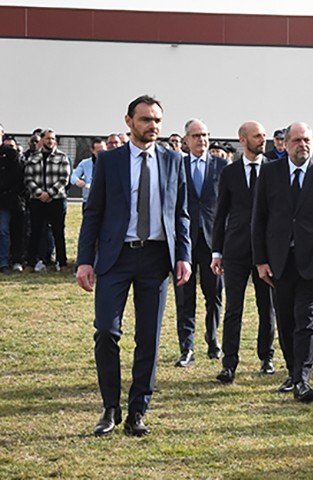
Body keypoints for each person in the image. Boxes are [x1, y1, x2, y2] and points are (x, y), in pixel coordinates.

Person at [76, 95, 192, 437]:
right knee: (106, 331)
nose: (152, 126)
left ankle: (138, 410)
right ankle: (110, 407)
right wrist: (85, 260)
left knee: (149, 338)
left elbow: (181, 213)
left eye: (157, 120)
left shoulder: (174, 160)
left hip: (156, 259)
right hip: (115, 258)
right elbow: (92, 213)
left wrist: (183, 255)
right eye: (145, 120)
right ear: (129, 122)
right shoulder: (109, 161)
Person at [252, 122, 313, 403]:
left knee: (306, 320)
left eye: (307, 140)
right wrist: (261, 260)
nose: (303, 145)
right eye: (297, 140)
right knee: (286, 319)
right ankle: (292, 371)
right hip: (280, 262)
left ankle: (303, 379)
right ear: (285, 143)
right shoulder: (270, 172)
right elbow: (260, 218)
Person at [211, 121, 279, 384]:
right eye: (257, 136)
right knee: (233, 308)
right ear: (243, 140)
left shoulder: (275, 169)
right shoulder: (230, 173)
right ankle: (229, 363)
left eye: (264, 135)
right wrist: (217, 252)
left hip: (268, 251)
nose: (263, 140)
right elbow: (221, 214)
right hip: (236, 249)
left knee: (267, 307)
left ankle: (267, 357)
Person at [173, 119, 226, 367]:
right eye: (195, 135)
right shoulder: (176, 165)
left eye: (204, 135)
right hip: (183, 241)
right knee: (184, 296)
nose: (201, 140)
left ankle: (213, 339)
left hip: (212, 242)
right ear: (186, 140)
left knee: (213, 293)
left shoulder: (222, 167)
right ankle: (187, 348)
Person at [23, 128, 70, 273]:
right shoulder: (33, 158)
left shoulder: (62, 157)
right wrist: (39, 193)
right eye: (48, 138)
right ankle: (31, 264)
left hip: (56, 200)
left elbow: (64, 179)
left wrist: (49, 193)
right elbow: (28, 178)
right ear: (42, 140)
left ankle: (62, 264)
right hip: (37, 201)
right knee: (35, 231)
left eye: (53, 139)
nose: (50, 141)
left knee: (58, 233)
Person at [0, 140, 24, 274]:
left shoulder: (11, 155)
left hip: (7, 201)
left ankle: (5, 262)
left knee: (4, 231)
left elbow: (18, 178)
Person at [71, 137, 106, 208]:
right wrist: (78, 181)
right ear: (92, 151)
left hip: (106, 200)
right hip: (88, 200)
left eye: (104, 151)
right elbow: (73, 176)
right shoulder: (85, 163)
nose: (102, 154)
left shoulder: (111, 163)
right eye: (99, 152)